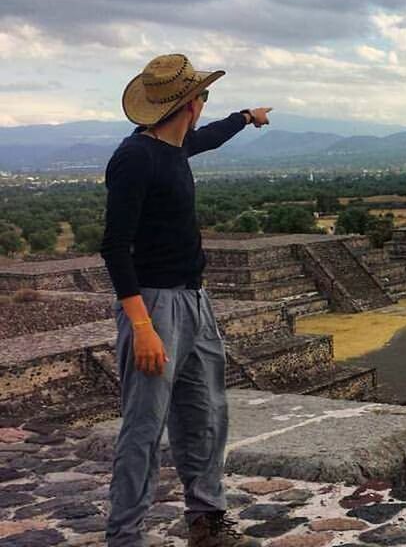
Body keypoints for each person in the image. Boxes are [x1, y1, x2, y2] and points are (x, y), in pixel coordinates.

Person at [100, 54, 268, 547]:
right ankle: (125, 536)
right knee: (144, 427)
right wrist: (142, 326)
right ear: (191, 104)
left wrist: (244, 118)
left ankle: (206, 518)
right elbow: (114, 245)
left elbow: (208, 138)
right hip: (153, 307)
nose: (203, 105)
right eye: (203, 97)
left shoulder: (174, 147)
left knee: (207, 414)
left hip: (194, 301)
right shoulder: (137, 157)